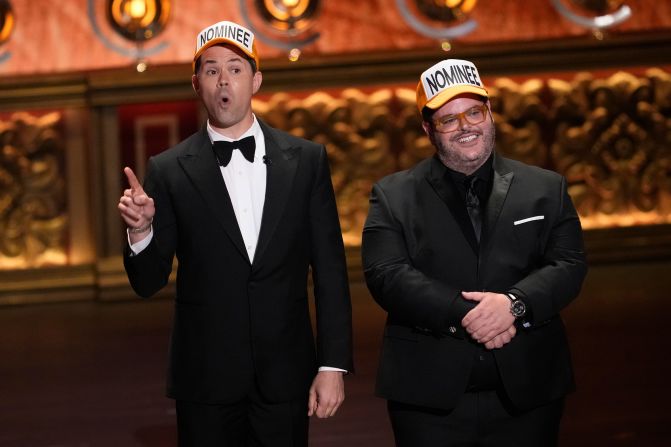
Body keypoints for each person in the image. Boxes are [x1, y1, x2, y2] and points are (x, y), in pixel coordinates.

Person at [117, 20, 353, 447]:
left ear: (256, 80)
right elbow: (147, 282)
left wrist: (332, 365)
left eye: (236, 68)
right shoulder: (169, 170)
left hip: (285, 377)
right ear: (196, 84)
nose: (223, 80)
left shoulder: (306, 161)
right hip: (205, 382)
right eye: (211, 70)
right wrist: (142, 230)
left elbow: (331, 273)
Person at [361, 58, 587, 446]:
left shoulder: (547, 187)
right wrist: (469, 315)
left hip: (529, 393)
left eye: (473, 112)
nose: (465, 126)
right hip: (428, 400)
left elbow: (569, 263)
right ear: (428, 129)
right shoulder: (392, 194)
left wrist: (514, 304)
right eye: (449, 119)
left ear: (489, 114)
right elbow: (386, 274)